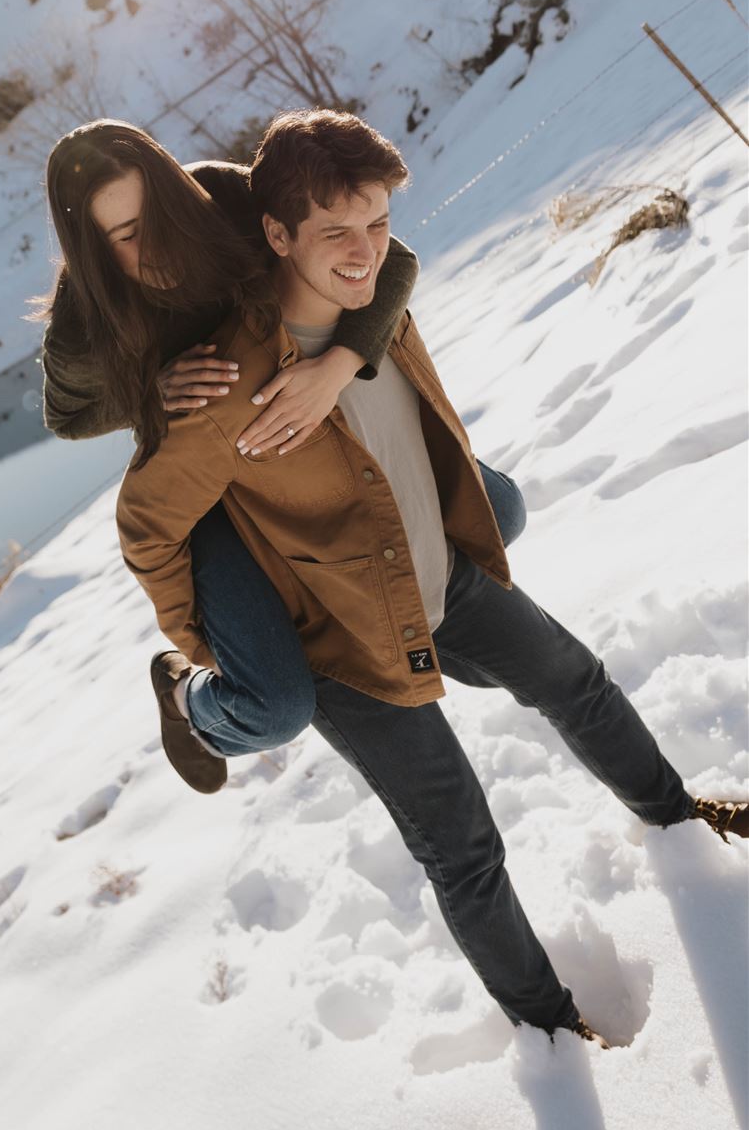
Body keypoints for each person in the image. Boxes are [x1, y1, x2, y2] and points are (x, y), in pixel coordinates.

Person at [114, 106, 747, 1040]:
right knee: (462, 844)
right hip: (343, 644)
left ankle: (676, 815)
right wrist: (216, 648)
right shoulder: (230, 382)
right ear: (276, 233)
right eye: (335, 231)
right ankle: (549, 1028)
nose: (365, 250)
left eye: (376, 223)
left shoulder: (377, 312)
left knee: (574, 679)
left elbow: (382, 287)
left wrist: (343, 355)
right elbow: (146, 523)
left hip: (438, 577)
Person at [38, 118, 526, 792]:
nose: (154, 242)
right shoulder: (80, 326)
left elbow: (396, 262)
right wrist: (150, 391)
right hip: (211, 486)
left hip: (303, 422)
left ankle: (411, 623)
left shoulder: (225, 197)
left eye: (158, 213)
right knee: (275, 708)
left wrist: (338, 367)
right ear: (95, 250)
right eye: (125, 236)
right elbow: (66, 417)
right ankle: (188, 704)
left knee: (498, 513)